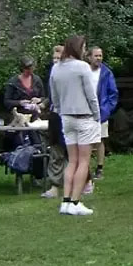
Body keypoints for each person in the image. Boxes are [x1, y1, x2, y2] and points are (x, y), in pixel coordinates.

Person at [49, 35, 100, 216]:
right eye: (84, 46)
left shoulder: (56, 68)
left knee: (72, 160)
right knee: (84, 161)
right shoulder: (82, 67)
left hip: (66, 117)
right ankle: (76, 202)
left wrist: (62, 110)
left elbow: (54, 97)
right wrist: (97, 116)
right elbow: (91, 95)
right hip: (84, 116)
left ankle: (66, 201)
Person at [87, 47, 119, 180]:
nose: (99, 58)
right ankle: (85, 168)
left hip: (102, 111)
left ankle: (99, 168)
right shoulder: (84, 71)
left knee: (100, 139)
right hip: (86, 111)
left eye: (100, 55)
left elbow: (113, 94)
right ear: (89, 57)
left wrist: (107, 110)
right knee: (86, 141)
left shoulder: (106, 73)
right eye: (96, 56)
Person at [41, 45, 67, 199]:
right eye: (54, 58)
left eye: (59, 58)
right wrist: (43, 104)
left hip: (71, 117)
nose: (56, 61)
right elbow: (52, 97)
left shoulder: (71, 74)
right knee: (56, 152)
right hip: (56, 118)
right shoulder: (52, 75)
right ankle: (55, 186)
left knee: (74, 154)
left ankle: (84, 182)